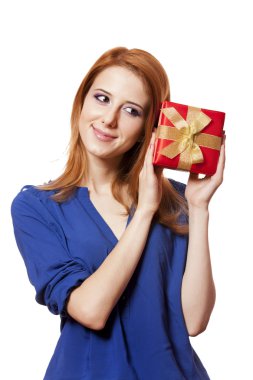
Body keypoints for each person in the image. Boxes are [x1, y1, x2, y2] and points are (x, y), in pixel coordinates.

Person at [11, 46, 226, 380]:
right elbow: (90, 311)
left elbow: (195, 321)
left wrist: (199, 208)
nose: (109, 119)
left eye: (131, 110)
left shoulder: (179, 201)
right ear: (81, 102)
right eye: (101, 98)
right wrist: (144, 213)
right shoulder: (36, 208)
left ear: (149, 128)